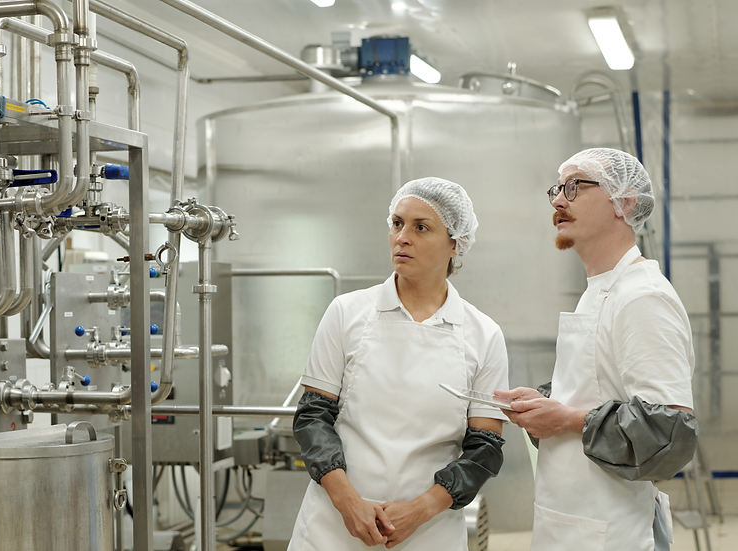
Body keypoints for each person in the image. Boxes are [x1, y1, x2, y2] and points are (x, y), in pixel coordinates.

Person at [288, 178, 509, 550]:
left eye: (421, 227)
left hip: (428, 532)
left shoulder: (483, 334)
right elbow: (312, 418)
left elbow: (485, 446)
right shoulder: (346, 312)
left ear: (455, 244)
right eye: (396, 223)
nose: (402, 237)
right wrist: (348, 503)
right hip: (334, 527)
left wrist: (421, 509)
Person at [496, 148, 699, 551]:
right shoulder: (599, 292)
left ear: (623, 202)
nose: (558, 200)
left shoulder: (642, 297)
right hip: (572, 522)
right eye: (556, 189)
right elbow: (604, 392)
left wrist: (568, 419)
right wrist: (545, 403)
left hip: (616, 532)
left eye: (575, 187)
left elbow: (669, 435)